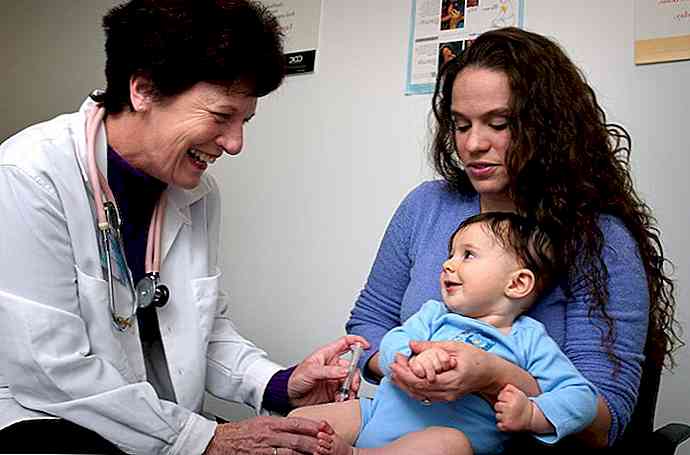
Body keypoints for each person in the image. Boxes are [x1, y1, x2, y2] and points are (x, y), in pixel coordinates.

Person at [0, 1, 368, 454]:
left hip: (154, 421)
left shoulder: (196, 193)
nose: (235, 144)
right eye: (221, 117)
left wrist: (278, 383)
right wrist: (201, 438)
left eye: (244, 121)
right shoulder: (29, 175)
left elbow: (201, 328)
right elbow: (49, 369)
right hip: (42, 419)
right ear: (142, 90)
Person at [346, 27, 682, 450]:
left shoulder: (599, 241)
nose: (472, 144)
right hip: (397, 428)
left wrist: (492, 378)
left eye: (499, 124)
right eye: (460, 125)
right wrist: (405, 366)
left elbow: (602, 422)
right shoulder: (425, 207)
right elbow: (369, 321)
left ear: (549, 127)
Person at [291, 212, 598, 455]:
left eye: (468, 255)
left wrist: (532, 414)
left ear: (517, 283)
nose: (447, 264)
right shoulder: (434, 314)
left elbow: (581, 398)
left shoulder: (528, 339)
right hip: (375, 415)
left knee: (448, 444)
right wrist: (412, 357)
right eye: (451, 254)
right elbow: (393, 341)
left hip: (445, 442)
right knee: (299, 423)